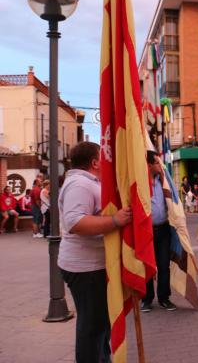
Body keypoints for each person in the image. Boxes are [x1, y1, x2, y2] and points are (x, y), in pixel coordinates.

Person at [58, 141, 132, 363]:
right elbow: (75, 221)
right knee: (92, 327)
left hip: (92, 266)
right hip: (86, 269)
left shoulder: (86, 183)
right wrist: (114, 220)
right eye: (103, 156)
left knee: (99, 324)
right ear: (94, 162)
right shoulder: (80, 184)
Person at [141, 151, 177, 312]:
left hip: (163, 229)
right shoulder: (140, 183)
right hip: (146, 231)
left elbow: (173, 199)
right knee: (146, 265)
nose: (160, 166)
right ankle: (147, 299)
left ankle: (164, 298)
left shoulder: (164, 181)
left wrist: (164, 179)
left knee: (163, 265)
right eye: (157, 163)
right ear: (148, 165)